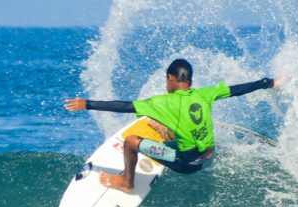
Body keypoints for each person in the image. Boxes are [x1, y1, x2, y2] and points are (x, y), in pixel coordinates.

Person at [65, 59, 284, 192]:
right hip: (208, 157)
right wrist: (269, 83)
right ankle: (165, 132)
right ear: (189, 79)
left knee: (130, 141)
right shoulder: (206, 94)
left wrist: (88, 104)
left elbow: (124, 106)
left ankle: (126, 182)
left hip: (186, 164)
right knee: (173, 129)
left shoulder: (162, 102)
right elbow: (239, 89)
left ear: (171, 78)